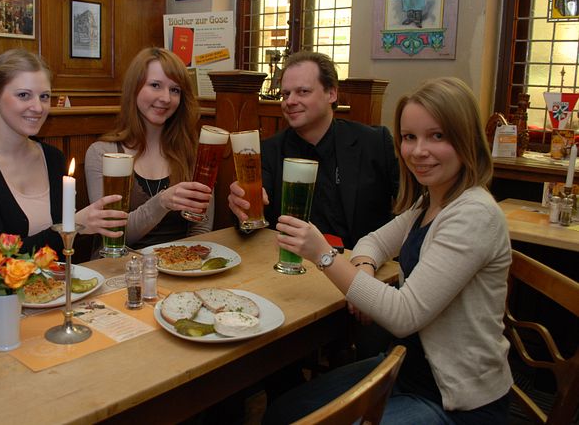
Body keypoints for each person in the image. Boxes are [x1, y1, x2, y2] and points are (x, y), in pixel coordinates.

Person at [264, 77, 513, 424]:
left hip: (455, 400)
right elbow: (373, 242)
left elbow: (403, 315)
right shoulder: (432, 200)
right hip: (406, 367)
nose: (418, 151)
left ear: (466, 139)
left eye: (437, 136)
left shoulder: (473, 214)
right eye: (409, 137)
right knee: (283, 412)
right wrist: (362, 269)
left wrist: (324, 256)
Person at [0, 49, 127, 292]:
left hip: (47, 290)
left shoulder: (53, 158)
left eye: (44, 96)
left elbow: (62, 254)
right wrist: (69, 229)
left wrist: (80, 230)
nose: (37, 107)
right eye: (23, 95)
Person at [228, 51, 399, 253]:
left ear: (331, 94)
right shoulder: (268, 151)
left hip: (362, 266)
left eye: (303, 92)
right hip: (294, 267)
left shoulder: (373, 143)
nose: (290, 101)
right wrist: (240, 206)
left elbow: (412, 210)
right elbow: (250, 224)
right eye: (285, 94)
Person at [85, 47, 213, 252]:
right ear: (134, 88)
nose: (166, 98)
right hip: (119, 271)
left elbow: (201, 228)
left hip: (178, 270)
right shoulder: (101, 153)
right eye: (155, 85)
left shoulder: (193, 152)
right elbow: (113, 233)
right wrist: (162, 201)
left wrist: (184, 265)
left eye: (175, 90)